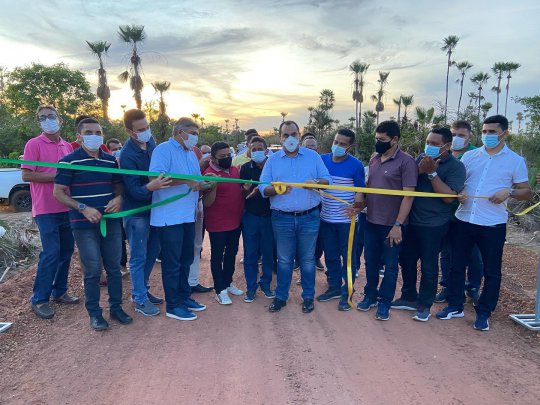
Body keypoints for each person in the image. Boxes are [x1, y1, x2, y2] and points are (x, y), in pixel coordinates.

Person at [437, 115, 532, 331]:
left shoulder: (515, 161)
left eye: (492, 132)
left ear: (504, 133)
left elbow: (526, 192)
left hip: (493, 224)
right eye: (484, 131)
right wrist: (460, 191)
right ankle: (455, 306)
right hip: (464, 219)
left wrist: (509, 192)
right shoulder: (470, 156)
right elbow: (459, 181)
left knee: (491, 271)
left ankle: (483, 312)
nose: (487, 135)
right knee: (456, 266)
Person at [53, 118, 131, 331]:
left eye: (98, 132)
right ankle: (95, 314)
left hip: (111, 222)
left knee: (114, 267)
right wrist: (82, 207)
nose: (94, 136)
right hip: (83, 224)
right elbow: (58, 193)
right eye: (88, 132)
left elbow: (118, 186)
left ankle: (116, 308)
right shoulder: (68, 161)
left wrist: (119, 198)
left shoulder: (110, 161)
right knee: (93, 270)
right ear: (79, 137)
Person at [392, 128, 466, 322]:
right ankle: (409, 296)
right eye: (428, 142)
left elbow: (449, 198)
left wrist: (432, 173)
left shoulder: (456, 167)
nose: (429, 146)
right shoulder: (421, 159)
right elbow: (407, 182)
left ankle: (424, 305)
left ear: (447, 146)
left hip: (434, 225)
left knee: (429, 265)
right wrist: (420, 169)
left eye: (434, 144)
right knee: (406, 259)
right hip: (411, 221)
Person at [259, 120, 331, 313]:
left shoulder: (313, 156)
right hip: (282, 218)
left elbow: (327, 180)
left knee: (307, 260)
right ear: (280, 137)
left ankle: (308, 297)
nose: (290, 138)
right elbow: (263, 187)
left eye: (293, 134)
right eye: (286, 135)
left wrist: (316, 182)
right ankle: (281, 297)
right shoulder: (273, 160)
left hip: (309, 217)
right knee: (284, 260)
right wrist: (275, 190)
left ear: (299, 135)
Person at [149, 117, 210, 321]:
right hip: (169, 216)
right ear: (179, 132)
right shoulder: (163, 150)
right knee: (172, 262)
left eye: (196, 134)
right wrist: (187, 181)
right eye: (192, 133)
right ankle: (173, 305)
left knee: (186, 259)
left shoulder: (191, 153)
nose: (195, 137)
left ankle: (184, 297)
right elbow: (155, 178)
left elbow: (194, 180)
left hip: (187, 215)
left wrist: (204, 184)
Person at [356, 120, 417, 321]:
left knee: (390, 266)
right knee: (370, 262)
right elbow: (370, 191)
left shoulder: (406, 162)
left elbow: (408, 197)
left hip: (392, 225)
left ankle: (384, 302)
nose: (378, 142)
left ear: (395, 139)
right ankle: (370, 296)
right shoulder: (374, 159)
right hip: (371, 222)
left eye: (382, 139)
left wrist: (398, 225)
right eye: (377, 138)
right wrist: (358, 207)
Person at [22, 105, 78, 319]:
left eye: (51, 116)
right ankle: (39, 299)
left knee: (66, 251)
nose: (47, 120)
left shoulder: (67, 146)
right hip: (45, 209)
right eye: (42, 118)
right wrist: (57, 177)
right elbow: (27, 175)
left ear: (60, 119)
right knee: (51, 252)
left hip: (67, 206)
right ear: (38, 123)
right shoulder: (34, 144)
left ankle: (60, 291)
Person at [120, 109, 172, 317]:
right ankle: (139, 298)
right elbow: (133, 190)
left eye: (147, 127)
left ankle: (143, 288)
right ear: (129, 131)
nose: (146, 132)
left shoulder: (151, 143)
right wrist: (152, 186)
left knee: (152, 252)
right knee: (138, 256)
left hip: (155, 209)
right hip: (136, 213)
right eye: (140, 129)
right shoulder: (127, 155)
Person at [317, 128, 365, 311]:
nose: (337, 146)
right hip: (326, 219)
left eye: (342, 144)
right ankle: (334, 286)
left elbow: (360, 191)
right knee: (330, 255)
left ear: (349, 147)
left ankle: (348, 292)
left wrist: (357, 207)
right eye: (336, 142)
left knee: (348, 258)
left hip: (347, 222)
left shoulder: (356, 165)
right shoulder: (322, 160)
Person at [436, 120, 484, 304]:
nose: (457, 138)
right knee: (446, 252)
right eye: (454, 134)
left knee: (473, 253)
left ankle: (472, 287)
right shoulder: (442, 154)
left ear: (470, 136)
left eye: (461, 135)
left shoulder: (476, 155)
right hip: (446, 212)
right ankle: (447, 286)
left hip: (469, 212)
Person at [203, 142, 245, 304]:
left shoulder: (234, 170)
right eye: (222, 156)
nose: (227, 158)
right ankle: (219, 289)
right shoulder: (209, 174)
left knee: (232, 253)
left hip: (235, 221)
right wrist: (213, 185)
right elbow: (207, 202)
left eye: (229, 155)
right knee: (217, 256)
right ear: (213, 158)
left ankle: (227, 282)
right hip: (217, 223)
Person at [239, 136, 275, 302]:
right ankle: (251, 287)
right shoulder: (245, 168)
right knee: (250, 254)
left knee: (268, 254)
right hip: (251, 217)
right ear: (249, 151)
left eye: (260, 149)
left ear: (266, 150)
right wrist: (247, 191)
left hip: (270, 217)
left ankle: (265, 284)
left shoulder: (273, 166)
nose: (257, 152)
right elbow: (243, 195)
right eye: (253, 149)